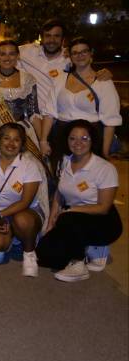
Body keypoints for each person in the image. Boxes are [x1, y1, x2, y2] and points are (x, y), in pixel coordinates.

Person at [36, 120, 122, 282]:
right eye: (72, 138)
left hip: (104, 221)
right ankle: (83, 245)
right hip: (71, 219)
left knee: (69, 219)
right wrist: (50, 225)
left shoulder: (105, 168)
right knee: (43, 255)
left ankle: (79, 262)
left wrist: (72, 210)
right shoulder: (65, 161)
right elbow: (59, 195)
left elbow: (104, 208)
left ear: (92, 141)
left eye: (84, 138)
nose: (78, 143)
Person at [0, 122, 47, 276]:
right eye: (7, 138)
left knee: (22, 220)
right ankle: (10, 236)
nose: (11, 143)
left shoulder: (30, 166)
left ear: (21, 144)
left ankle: (29, 253)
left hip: (26, 211)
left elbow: (25, 202)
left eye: (16, 140)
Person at [49, 37, 122, 172]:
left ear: (91, 53)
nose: (80, 56)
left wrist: (104, 153)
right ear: (70, 56)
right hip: (63, 139)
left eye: (84, 51)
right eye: (75, 53)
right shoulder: (60, 79)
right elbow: (49, 113)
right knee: (62, 178)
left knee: (90, 182)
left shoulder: (103, 82)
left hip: (91, 140)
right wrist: (43, 140)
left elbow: (110, 121)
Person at [0, 40, 50, 160]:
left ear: (18, 56)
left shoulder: (28, 79)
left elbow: (33, 113)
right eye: (3, 54)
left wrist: (42, 141)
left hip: (20, 132)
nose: (7, 58)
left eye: (11, 54)